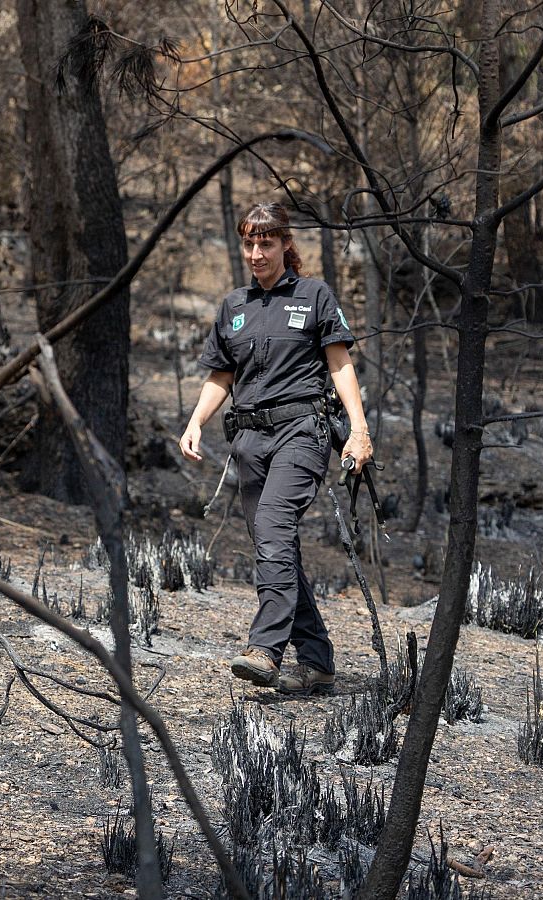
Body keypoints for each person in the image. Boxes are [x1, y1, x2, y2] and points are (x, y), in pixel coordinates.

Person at [178, 202, 373, 695]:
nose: (257, 252)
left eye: (266, 242)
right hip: (249, 442)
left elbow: (339, 364)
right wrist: (196, 422)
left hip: (301, 434)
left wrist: (359, 429)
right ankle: (317, 660)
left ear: (286, 242)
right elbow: (221, 375)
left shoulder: (314, 296)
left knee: (272, 528)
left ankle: (266, 648)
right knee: (275, 544)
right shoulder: (234, 306)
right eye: (249, 243)